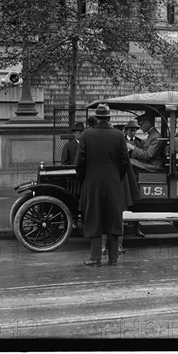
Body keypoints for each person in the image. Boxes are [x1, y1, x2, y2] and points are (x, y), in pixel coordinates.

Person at [75, 104, 130, 267]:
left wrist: (85, 180)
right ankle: (113, 258)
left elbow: (79, 163)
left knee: (94, 217)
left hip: (92, 183)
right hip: (113, 183)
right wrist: (116, 177)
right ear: (109, 118)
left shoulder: (86, 135)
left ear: (96, 118)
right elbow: (125, 162)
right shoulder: (119, 135)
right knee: (113, 218)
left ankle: (95, 257)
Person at [122, 120, 145, 237]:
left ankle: (136, 228)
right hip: (124, 174)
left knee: (136, 202)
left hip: (136, 175)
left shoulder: (139, 142)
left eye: (134, 130)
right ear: (126, 131)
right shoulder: (121, 141)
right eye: (130, 130)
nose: (133, 132)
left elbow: (143, 156)